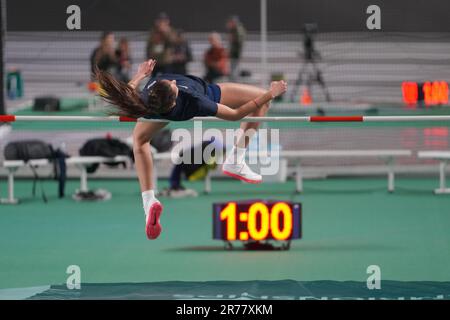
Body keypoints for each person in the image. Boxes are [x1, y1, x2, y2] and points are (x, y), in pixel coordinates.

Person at [95, 59, 287, 240]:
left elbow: (127, 93)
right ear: (174, 96)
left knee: (139, 141)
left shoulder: (149, 100)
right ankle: (235, 160)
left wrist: (140, 74)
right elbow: (236, 115)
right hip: (209, 92)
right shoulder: (196, 100)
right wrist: (270, 93)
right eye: (172, 84)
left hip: (159, 112)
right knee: (262, 101)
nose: (171, 80)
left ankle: (149, 201)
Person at [226, 16, 246, 81]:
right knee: (233, 69)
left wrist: (232, 38)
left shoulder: (238, 29)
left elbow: (238, 41)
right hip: (234, 53)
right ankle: (233, 82)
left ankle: (234, 83)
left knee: (234, 70)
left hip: (235, 53)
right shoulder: (234, 30)